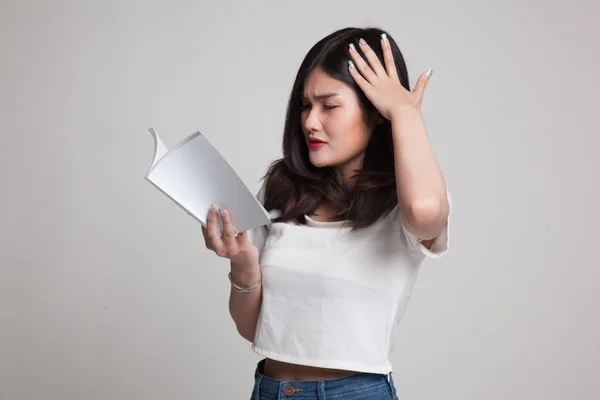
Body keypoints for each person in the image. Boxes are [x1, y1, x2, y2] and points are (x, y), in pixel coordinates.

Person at [201, 26, 451, 400]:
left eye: (329, 106)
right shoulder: (282, 188)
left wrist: (404, 111)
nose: (310, 122)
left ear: (376, 111)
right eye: (306, 105)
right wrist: (243, 266)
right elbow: (255, 329)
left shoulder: (407, 197)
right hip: (270, 390)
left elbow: (423, 211)